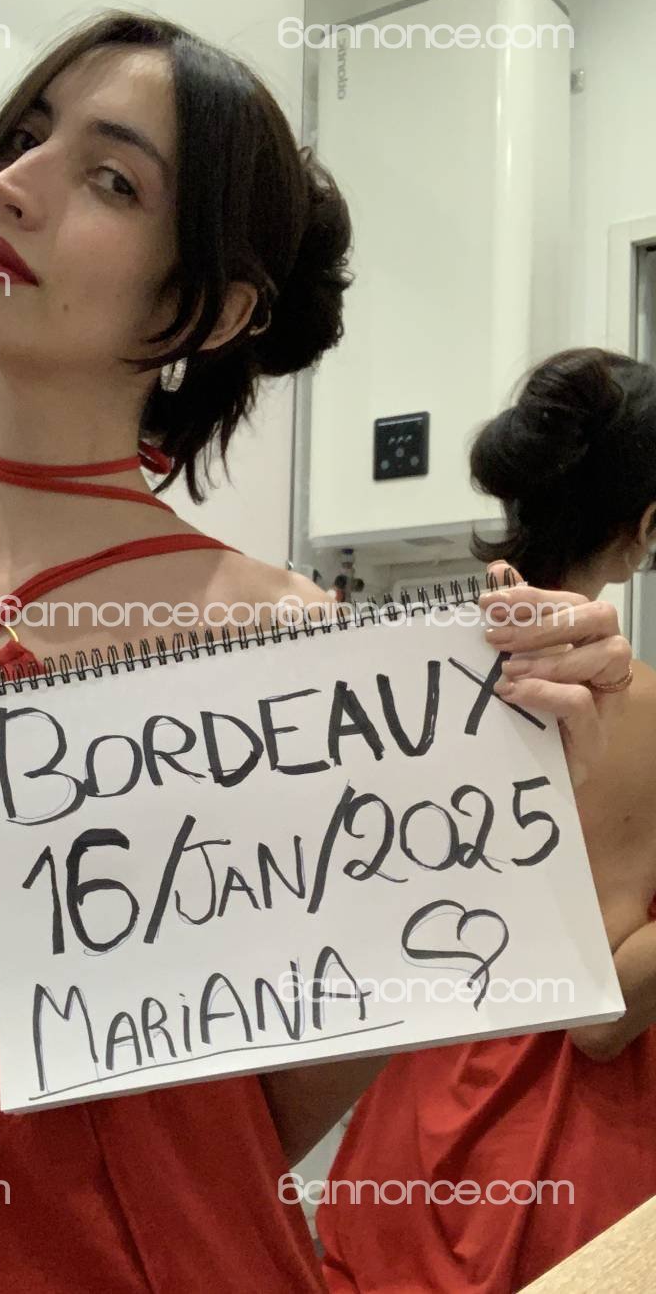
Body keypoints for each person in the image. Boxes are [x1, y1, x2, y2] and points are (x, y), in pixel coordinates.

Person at [0, 6, 632, 1292]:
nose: (12, 186)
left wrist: (492, 814)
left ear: (211, 306)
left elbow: (260, 1118)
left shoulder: (277, 644)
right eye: (23, 137)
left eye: (111, 179)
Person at [317, 346, 656, 1294]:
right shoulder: (641, 712)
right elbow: (601, 1022)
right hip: (561, 1171)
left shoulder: (398, 684)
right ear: (644, 527)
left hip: (402, 1138)